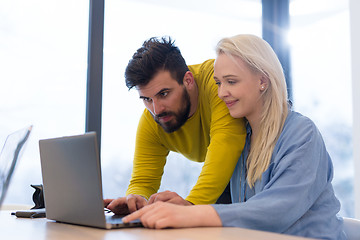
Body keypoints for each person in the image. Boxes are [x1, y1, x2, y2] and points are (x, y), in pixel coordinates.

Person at [121, 34, 346, 239]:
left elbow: (276, 210)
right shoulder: (244, 144)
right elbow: (229, 210)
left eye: (231, 81)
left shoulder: (302, 134)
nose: (220, 93)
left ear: (262, 81)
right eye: (218, 83)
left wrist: (191, 212)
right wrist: (170, 207)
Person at [105, 37, 246, 214]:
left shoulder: (217, 83)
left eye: (164, 94)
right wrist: (135, 200)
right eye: (147, 99)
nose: (156, 110)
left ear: (188, 80)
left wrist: (191, 205)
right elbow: (143, 181)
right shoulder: (152, 120)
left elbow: (227, 141)